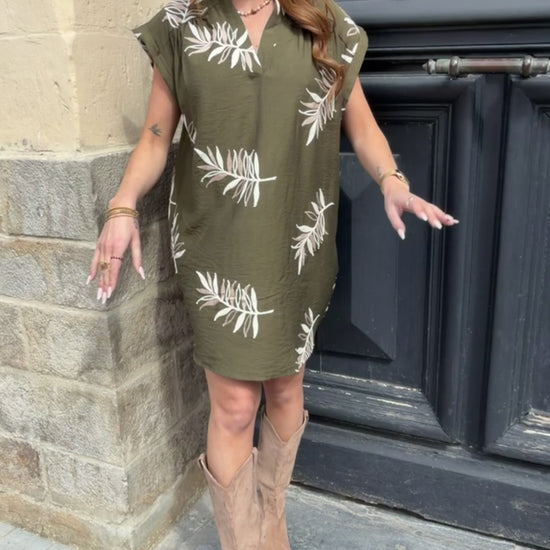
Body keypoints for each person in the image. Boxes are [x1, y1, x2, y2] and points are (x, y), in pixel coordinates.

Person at [87, 0, 458, 548]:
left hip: (294, 244)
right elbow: (156, 137)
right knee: (235, 407)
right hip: (217, 244)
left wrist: (391, 182)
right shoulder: (182, 24)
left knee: (285, 390)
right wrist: (122, 207)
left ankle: (273, 523)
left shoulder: (322, 20)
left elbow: (363, 128)